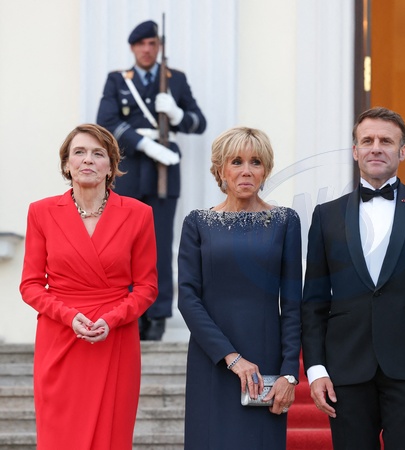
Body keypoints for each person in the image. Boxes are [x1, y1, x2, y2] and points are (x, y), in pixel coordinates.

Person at [301, 107, 405, 450]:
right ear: (355, 150)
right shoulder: (326, 215)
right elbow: (313, 300)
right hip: (345, 367)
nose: (376, 148)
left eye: (386, 141)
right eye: (367, 140)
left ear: (402, 151)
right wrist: (315, 368)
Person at [19, 124, 158, 450]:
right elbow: (30, 285)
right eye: (79, 152)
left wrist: (112, 319)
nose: (88, 160)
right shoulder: (41, 212)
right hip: (60, 338)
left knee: (111, 437)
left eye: (98, 154)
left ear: (111, 166)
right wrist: (68, 316)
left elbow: (147, 287)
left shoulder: (139, 214)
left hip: (116, 338)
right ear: (66, 164)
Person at [177, 127, 302, 449]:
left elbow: (292, 303)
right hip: (212, 359)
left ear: (266, 170)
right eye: (236, 162)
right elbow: (188, 299)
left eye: (255, 162)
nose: (246, 171)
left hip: (265, 361)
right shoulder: (197, 223)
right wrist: (232, 358)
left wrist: (289, 373)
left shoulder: (286, 221)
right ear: (221, 170)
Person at [96, 19, 207, 340]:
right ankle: (130, 311)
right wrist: (144, 144)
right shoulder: (118, 80)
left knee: (159, 244)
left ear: (158, 47)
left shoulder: (175, 80)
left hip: (164, 172)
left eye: (152, 44)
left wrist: (176, 114)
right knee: (124, 245)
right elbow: (106, 121)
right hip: (129, 170)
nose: (147, 49)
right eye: (141, 44)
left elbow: (198, 122)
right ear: (133, 47)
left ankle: (157, 315)